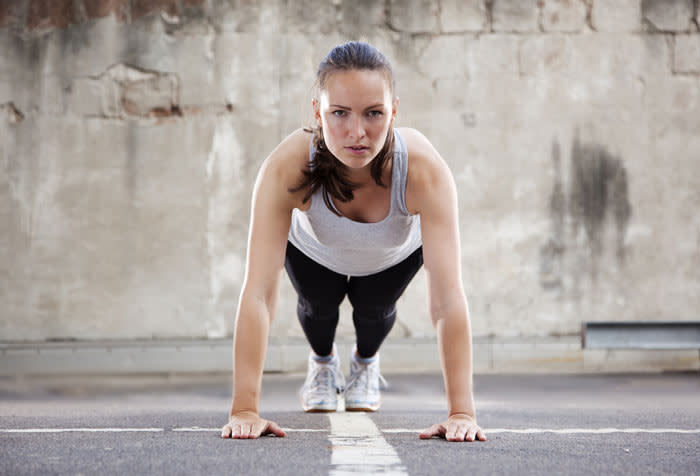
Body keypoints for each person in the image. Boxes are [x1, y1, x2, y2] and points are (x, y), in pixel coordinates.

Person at [220, 41, 486, 443]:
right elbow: (257, 292)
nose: (356, 132)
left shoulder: (424, 170)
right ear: (317, 113)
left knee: (374, 313)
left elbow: (448, 298)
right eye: (339, 113)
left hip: (391, 254)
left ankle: (365, 363)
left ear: (394, 111)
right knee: (318, 309)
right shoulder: (288, 166)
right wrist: (244, 410)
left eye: (374, 113)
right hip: (315, 251)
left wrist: (462, 413)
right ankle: (323, 364)